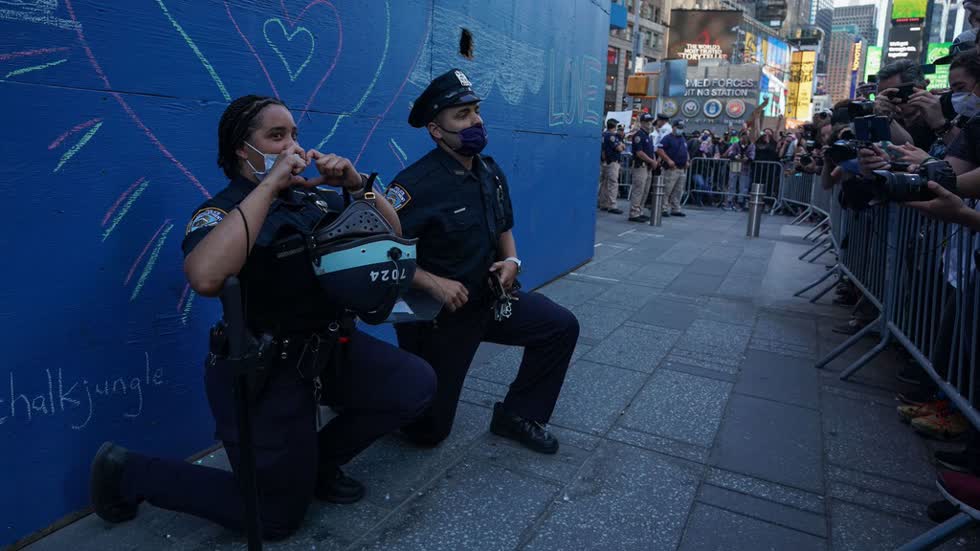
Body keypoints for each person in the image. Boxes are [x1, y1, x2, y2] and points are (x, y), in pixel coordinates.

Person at [88, 95, 437, 540]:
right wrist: (268, 187)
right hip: (265, 367)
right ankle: (128, 472)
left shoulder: (313, 199)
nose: (292, 146)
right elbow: (205, 275)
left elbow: (392, 233)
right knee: (275, 518)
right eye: (276, 136)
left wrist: (355, 186)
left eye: (293, 134)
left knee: (413, 385)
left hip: (328, 347)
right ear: (242, 149)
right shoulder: (222, 210)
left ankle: (314, 466)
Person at [385, 69, 580, 453]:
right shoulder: (413, 186)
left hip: (489, 301)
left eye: (475, 110)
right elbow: (380, 253)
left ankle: (518, 414)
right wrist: (432, 282)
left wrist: (512, 262)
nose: (475, 121)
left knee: (560, 327)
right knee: (428, 432)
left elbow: (503, 225)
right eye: (461, 115)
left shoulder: (490, 171)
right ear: (435, 130)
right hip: (440, 315)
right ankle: (372, 388)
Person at [627, 112, 659, 222]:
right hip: (641, 166)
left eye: (650, 121)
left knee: (645, 190)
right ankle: (634, 213)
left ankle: (639, 210)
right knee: (639, 190)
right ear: (642, 122)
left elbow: (650, 151)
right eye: (647, 121)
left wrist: (653, 161)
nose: (649, 123)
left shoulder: (647, 136)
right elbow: (639, 153)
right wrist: (652, 161)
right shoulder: (639, 135)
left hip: (648, 167)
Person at [655, 119, 690, 217]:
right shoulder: (667, 138)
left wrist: (687, 160)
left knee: (678, 190)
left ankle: (676, 208)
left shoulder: (682, 138)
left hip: (681, 168)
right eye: (679, 128)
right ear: (673, 127)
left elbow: (685, 151)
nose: (680, 130)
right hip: (671, 169)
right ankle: (663, 208)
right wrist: (668, 160)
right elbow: (659, 150)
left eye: (682, 128)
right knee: (667, 189)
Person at [599, 118, 625, 214]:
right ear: (614, 126)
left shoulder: (603, 135)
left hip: (605, 162)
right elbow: (619, 148)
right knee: (613, 183)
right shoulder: (611, 136)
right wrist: (622, 145)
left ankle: (603, 203)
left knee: (604, 183)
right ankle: (612, 205)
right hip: (612, 162)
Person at [723, 133, 755, 210]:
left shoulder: (751, 146)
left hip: (745, 168)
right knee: (732, 184)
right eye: (742, 137)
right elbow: (731, 153)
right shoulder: (735, 144)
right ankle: (730, 201)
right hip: (734, 166)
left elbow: (752, 156)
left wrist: (747, 158)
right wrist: (735, 156)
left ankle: (741, 202)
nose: (743, 139)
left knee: (743, 186)